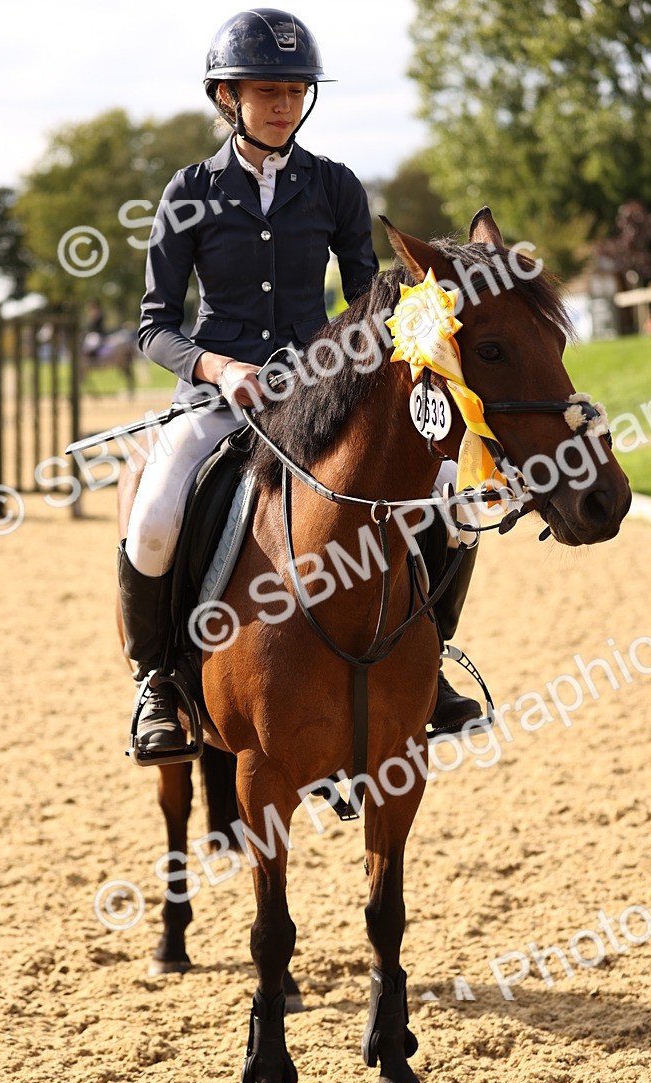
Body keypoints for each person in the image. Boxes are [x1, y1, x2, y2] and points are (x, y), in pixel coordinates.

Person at [119, 8, 482, 759]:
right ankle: (157, 681)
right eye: (267, 91)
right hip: (220, 400)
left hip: (319, 395)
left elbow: (368, 305)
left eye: (294, 90)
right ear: (228, 97)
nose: (283, 104)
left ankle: (433, 658)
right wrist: (219, 368)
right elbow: (154, 327)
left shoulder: (335, 186)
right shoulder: (188, 191)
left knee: (450, 499)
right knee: (153, 515)